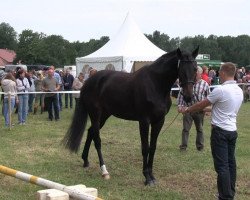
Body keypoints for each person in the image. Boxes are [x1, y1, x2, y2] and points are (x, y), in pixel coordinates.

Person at [180, 62, 243, 200]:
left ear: (224, 73)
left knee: (222, 167)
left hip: (220, 133)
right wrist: (201, 109)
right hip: (232, 131)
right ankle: (229, 192)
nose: (219, 74)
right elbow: (218, 108)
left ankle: (225, 196)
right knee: (231, 164)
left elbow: (203, 104)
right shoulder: (239, 90)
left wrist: (188, 109)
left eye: (220, 72)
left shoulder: (220, 90)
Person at [177, 66, 210, 151]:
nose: (194, 75)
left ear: (200, 74)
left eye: (196, 73)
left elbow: (208, 98)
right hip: (188, 110)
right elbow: (181, 96)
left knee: (200, 129)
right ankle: (183, 147)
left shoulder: (205, 84)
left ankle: (200, 147)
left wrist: (207, 109)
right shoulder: (187, 84)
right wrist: (180, 106)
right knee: (185, 129)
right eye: (193, 73)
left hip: (200, 111)